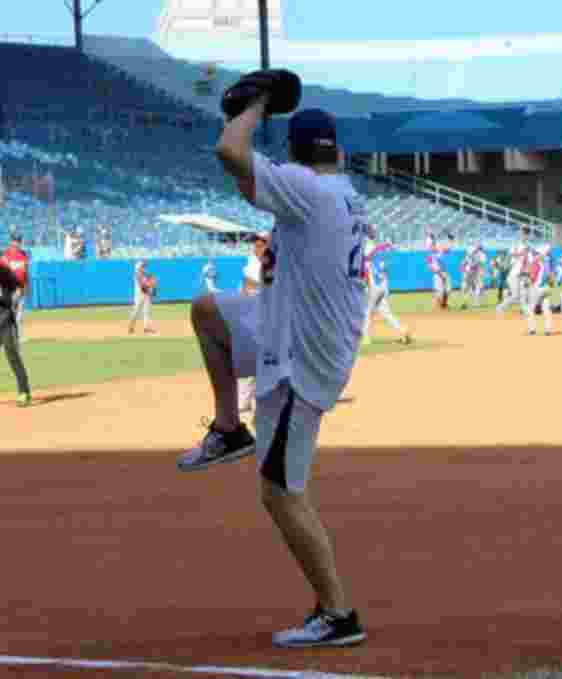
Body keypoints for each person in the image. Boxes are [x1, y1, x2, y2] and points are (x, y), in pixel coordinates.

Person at [177, 100, 368, 648]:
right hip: (281, 323)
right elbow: (248, 184)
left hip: (303, 356)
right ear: (338, 150)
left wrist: (254, 106)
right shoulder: (335, 192)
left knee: (280, 491)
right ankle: (227, 428)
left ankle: (338, 613)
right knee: (208, 312)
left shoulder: (308, 191)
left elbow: (229, 151)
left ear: (294, 155)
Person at [237, 232, 269, 414]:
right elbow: (246, 288)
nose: (257, 248)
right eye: (255, 245)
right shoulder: (251, 264)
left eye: (261, 244)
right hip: (252, 317)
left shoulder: (275, 263)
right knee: (248, 360)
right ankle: (244, 401)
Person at [362, 237, 411, 345]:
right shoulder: (379, 258)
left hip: (374, 287)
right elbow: (384, 272)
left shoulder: (368, 261)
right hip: (383, 287)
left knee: (366, 312)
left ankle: (365, 338)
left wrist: (367, 287)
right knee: (386, 313)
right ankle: (402, 331)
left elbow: (366, 274)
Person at [0, 256, 30, 407]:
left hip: (5, 320)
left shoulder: (4, 271)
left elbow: (19, 287)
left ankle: (23, 391)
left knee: (12, 355)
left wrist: (13, 302)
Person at [2, 233, 30, 342]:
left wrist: (27, 286)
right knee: (9, 314)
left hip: (21, 288)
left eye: (18, 240)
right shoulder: (6, 254)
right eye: (15, 240)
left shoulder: (23, 254)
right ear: (11, 242)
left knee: (19, 315)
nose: (17, 243)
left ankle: (17, 336)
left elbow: (26, 272)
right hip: (10, 289)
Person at [522, 243, 554, 336]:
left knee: (529, 309)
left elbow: (532, 278)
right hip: (547, 288)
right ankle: (548, 330)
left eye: (536, 253)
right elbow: (551, 278)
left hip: (538, 288)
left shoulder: (535, 263)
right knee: (546, 309)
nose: (535, 255)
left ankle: (532, 330)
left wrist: (526, 283)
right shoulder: (547, 263)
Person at [127, 260, 156, 334]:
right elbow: (143, 286)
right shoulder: (137, 275)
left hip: (146, 294)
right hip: (139, 295)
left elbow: (152, 281)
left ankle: (147, 328)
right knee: (136, 311)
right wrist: (150, 286)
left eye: (144, 266)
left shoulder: (146, 274)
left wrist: (153, 285)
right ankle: (131, 326)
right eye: (142, 266)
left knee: (147, 311)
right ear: (138, 268)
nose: (143, 268)